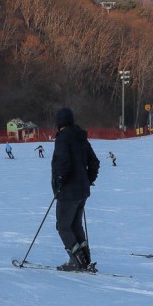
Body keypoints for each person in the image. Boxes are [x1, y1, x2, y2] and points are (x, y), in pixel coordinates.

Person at [51, 107, 100, 271]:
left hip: (68, 192)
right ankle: (85, 259)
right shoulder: (81, 138)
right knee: (75, 225)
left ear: (59, 123)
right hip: (82, 191)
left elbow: (63, 164)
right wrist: (88, 180)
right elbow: (94, 162)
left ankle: (77, 261)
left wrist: (59, 183)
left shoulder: (63, 139)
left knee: (63, 227)